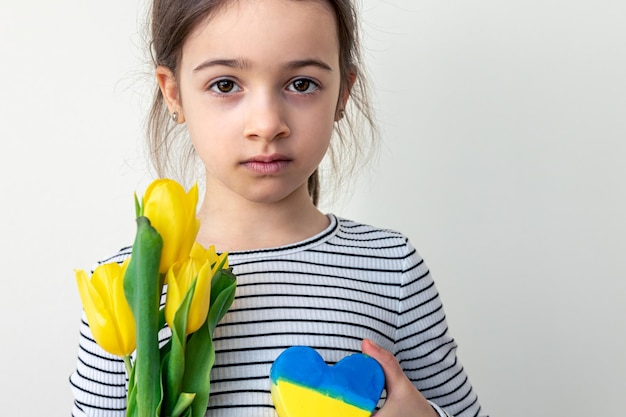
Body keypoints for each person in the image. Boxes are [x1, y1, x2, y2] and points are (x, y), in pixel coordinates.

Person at [70, 0, 488, 416]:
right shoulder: (125, 290)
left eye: (302, 84)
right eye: (226, 85)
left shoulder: (391, 267)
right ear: (173, 93)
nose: (268, 123)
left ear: (343, 92)